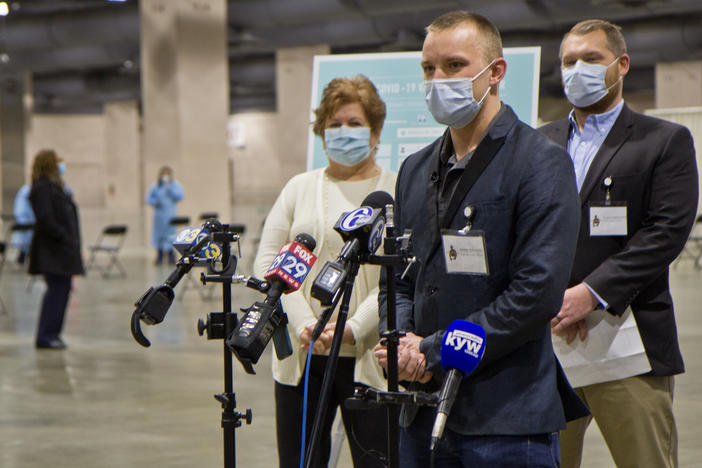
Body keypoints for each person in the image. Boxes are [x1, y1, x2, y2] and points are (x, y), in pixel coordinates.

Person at [373, 11, 586, 467]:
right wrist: (401, 341)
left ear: (496, 72)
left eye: (453, 66)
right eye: (429, 68)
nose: (437, 80)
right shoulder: (414, 169)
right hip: (419, 408)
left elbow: (536, 294)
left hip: (504, 417)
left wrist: (432, 349)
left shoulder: (539, 163)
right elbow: (403, 275)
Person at [540, 19, 698, 468]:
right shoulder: (540, 142)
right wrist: (550, 298)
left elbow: (664, 232)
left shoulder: (664, 140)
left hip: (629, 345)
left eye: (591, 59)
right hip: (549, 343)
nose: (577, 70)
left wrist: (589, 294)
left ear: (621, 64)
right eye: (569, 61)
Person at [253, 75, 396, 468]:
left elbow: (398, 276)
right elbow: (269, 263)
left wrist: (354, 326)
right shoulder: (299, 187)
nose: (343, 132)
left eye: (353, 123)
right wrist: (303, 322)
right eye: (334, 125)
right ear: (320, 133)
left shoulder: (395, 189)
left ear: (375, 130)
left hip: (370, 357)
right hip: (304, 356)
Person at [28, 149, 84, 349]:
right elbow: (46, 219)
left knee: (63, 290)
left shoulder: (55, 187)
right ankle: (46, 335)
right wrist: (64, 236)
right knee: (56, 291)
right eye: (58, 161)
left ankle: (54, 334)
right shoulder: (42, 187)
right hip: (53, 251)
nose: (62, 165)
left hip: (62, 251)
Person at [146, 166, 184, 265]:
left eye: (167, 174)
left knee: (171, 236)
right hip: (159, 216)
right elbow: (148, 198)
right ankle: (160, 255)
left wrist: (169, 189)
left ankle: (171, 255)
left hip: (170, 215)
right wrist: (155, 202)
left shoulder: (175, 185)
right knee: (159, 236)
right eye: (164, 174)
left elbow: (180, 196)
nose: (165, 176)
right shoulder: (156, 186)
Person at [12, 183, 35, 265]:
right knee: (26, 245)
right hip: (26, 222)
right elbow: (20, 209)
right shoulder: (26, 190)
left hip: (32, 223)